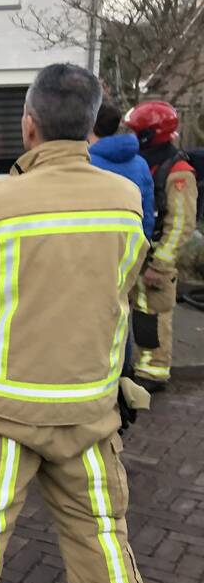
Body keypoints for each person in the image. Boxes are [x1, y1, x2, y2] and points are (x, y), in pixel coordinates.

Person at [0, 63, 151, 583]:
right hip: (89, 410)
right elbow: (121, 284)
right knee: (105, 553)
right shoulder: (124, 200)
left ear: (29, 126)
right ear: (89, 126)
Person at [124, 101, 199, 392]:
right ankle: (143, 366)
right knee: (142, 313)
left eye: (137, 132)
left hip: (156, 260)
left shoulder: (178, 172)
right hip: (142, 255)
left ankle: (154, 372)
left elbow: (181, 225)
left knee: (154, 314)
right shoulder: (151, 162)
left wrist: (160, 264)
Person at [89, 100, 155, 238]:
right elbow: (147, 212)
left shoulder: (85, 162)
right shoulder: (141, 164)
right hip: (132, 247)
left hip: (95, 248)